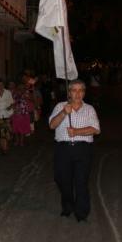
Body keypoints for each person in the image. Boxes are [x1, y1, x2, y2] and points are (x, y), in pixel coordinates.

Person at [49, 79, 101, 222]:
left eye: (81, 90)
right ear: (69, 92)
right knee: (62, 179)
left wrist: (77, 131)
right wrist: (63, 113)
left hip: (83, 149)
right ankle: (68, 206)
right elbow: (52, 125)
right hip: (63, 149)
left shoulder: (89, 109)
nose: (77, 94)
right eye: (74, 90)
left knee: (81, 182)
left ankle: (81, 212)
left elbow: (96, 129)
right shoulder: (60, 106)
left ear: (84, 93)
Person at [0, 79, 14, 155]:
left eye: (1, 85)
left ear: (3, 85)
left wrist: (10, 107)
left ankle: (5, 148)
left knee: (5, 134)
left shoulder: (8, 92)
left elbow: (12, 103)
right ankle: (1, 146)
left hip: (6, 115)